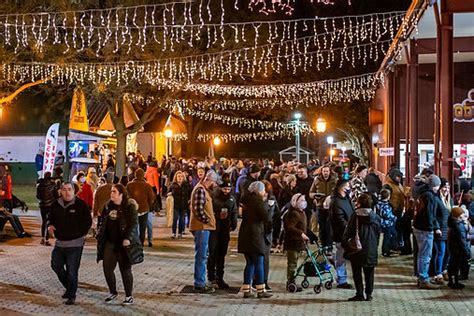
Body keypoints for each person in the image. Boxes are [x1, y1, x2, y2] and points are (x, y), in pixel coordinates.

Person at [96, 184, 143, 305]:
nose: (112, 194)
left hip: (123, 245)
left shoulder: (129, 207)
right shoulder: (108, 206)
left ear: (121, 194)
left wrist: (127, 238)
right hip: (110, 243)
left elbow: (133, 224)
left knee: (125, 270)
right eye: (111, 191)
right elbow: (104, 222)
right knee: (107, 268)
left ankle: (128, 295)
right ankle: (113, 292)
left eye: (114, 192)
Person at [48, 182, 92, 305]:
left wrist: (80, 234)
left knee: (72, 271)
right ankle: (70, 287)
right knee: (56, 266)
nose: (67, 192)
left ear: (74, 191)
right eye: (64, 189)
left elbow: (87, 222)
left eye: (69, 189)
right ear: (60, 191)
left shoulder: (80, 205)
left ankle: (71, 295)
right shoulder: (56, 205)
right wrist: (50, 225)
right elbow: (50, 218)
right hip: (60, 243)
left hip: (75, 244)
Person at [342, 193, 381, 301]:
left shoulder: (355, 216)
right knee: (369, 273)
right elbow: (378, 232)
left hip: (357, 249)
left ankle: (359, 293)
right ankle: (369, 294)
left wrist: (345, 243)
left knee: (357, 272)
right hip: (371, 248)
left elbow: (349, 231)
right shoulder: (375, 217)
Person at [238, 181, 272, 298]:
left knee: (250, 263)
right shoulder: (258, 201)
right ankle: (260, 290)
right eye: (263, 190)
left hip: (245, 233)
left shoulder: (245, 200)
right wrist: (269, 206)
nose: (264, 192)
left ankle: (247, 289)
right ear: (258, 190)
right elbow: (266, 217)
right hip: (255, 234)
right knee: (259, 261)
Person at [189, 170, 218, 293]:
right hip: (201, 227)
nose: (214, 185)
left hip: (203, 227)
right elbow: (198, 209)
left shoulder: (202, 189)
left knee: (202, 255)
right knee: (201, 255)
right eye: (214, 182)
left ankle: (201, 281)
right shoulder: (200, 190)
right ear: (209, 180)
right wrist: (207, 220)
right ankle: (199, 283)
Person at [412, 174, 441, 289]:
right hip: (425, 229)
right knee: (425, 255)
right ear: (435, 185)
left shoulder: (422, 193)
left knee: (421, 254)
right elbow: (430, 214)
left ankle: (422, 277)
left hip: (418, 226)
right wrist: (433, 227)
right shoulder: (429, 196)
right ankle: (423, 279)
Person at [207, 181, 238, 289]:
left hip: (225, 230)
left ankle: (220, 277)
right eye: (224, 189)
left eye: (228, 189)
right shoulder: (214, 198)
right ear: (220, 188)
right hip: (214, 229)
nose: (226, 191)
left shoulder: (231, 199)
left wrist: (233, 225)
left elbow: (234, 212)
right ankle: (211, 277)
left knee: (221, 254)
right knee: (212, 253)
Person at [329, 178, 354, 289]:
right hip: (341, 234)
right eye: (348, 186)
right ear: (342, 188)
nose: (349, 188)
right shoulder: (336, 202)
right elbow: (339, 221)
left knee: (341, 256)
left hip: (347, 233)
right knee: (340, 257)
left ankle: (341, 275)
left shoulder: (346, 199)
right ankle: (341, 280)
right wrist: (349, 229)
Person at [284, 193, 309, 292]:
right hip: (293, 242)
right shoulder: (294, 213)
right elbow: (290, 227)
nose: (304, 202)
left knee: (296, 263)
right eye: (301, 200)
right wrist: (301, 233)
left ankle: (292, 281)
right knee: (292, 263)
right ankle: (290, 282)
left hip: (299, 242)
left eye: (304, 200)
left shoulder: (302, 212)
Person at [309, 165, 337, 250]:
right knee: (322, 226)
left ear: (329, 172)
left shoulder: (334, 180)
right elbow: (311, 192)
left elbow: (337, 192)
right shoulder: (317, 180)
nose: (325, 173)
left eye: (327, 171)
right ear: (321, 172)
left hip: (330, 207)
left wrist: (332, 197)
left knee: (330, 226)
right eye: (324, 171)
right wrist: (315, 196)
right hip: (320, 206)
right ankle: (323, 244)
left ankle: (329, 244)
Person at [126, 168, 155, 246]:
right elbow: (151, 198)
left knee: (134, 227)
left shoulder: (129, 185)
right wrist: (148, 205)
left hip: (133, 209)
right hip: (144, 209)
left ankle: (134, 242)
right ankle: (141, 243)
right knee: (143, 227)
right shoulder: (147, 186)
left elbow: (126, 197)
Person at [261, 179, 280, 292]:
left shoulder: (272, 200)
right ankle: (258, 280)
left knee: (265, 258)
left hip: (267, 231)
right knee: (258, 257)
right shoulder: (256, 200)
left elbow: (277, 215)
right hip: (259, 231)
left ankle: (264, 280)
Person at [447, 207, 471, 289]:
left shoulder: (452, 223)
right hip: (458, 249)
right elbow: (462, 240)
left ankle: (451, 281)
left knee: (452, 265)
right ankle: (455, 282)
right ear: (459, 216)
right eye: (463, 214)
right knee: (456, 266)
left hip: (452, 248)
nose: (464, 216)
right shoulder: (459, 226)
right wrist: (467, 252)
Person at [36, 171, 59, 246]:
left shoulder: (40, 185)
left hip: (42, 206)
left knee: (44, 222)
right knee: (50, 222)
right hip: (51, 206)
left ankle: (42, 238)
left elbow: (38, 196)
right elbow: (56, 196)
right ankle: (47, 239)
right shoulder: (53, 185)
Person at [169, 170, 191, 239]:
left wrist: (189, 200)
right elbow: (168, 193)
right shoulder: (173, 185)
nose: (180, 178)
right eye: (178, 176)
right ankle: (173, 232)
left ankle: (180, 232)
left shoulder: (186, 185)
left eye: (181, 176)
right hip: (175, 205)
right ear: (176, 177)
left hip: (184, 205)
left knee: (182, 219)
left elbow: (190, 193)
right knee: (175, 219)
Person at [376, 189, 397, 257]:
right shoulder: (385, 205)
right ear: (388, 196)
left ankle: (389, 248)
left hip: (383, 223)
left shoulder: (379, 203)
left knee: (391, 235)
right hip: (387, 223)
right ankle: (385, 251)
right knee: (387, 237)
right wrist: (394, 217)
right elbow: (387, 215)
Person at [295, 165, 314, 231]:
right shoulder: (295, 179)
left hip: (308, 205)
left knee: (307, 222)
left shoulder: (312, 180)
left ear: (306, 172)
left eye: (301, 172)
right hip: (297, 206)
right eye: (298, 172)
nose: (299, 174)